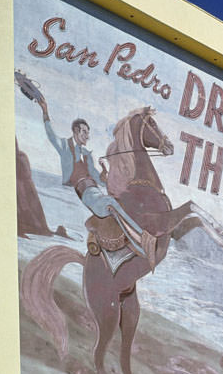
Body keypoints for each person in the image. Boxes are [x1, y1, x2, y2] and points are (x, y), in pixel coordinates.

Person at [36, 94, 156, 267]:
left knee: (123, 200)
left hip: (96, 191)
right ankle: (142, 240)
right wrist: (45, 110)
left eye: (88, 133)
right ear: (76, 131)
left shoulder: (87, 155)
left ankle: (132, 243)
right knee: (110, 202)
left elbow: (99, 180)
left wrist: (104, 171)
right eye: (84, 132)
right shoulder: (64, 146)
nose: (87, 136)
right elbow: (50, 133)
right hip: (86, 194)